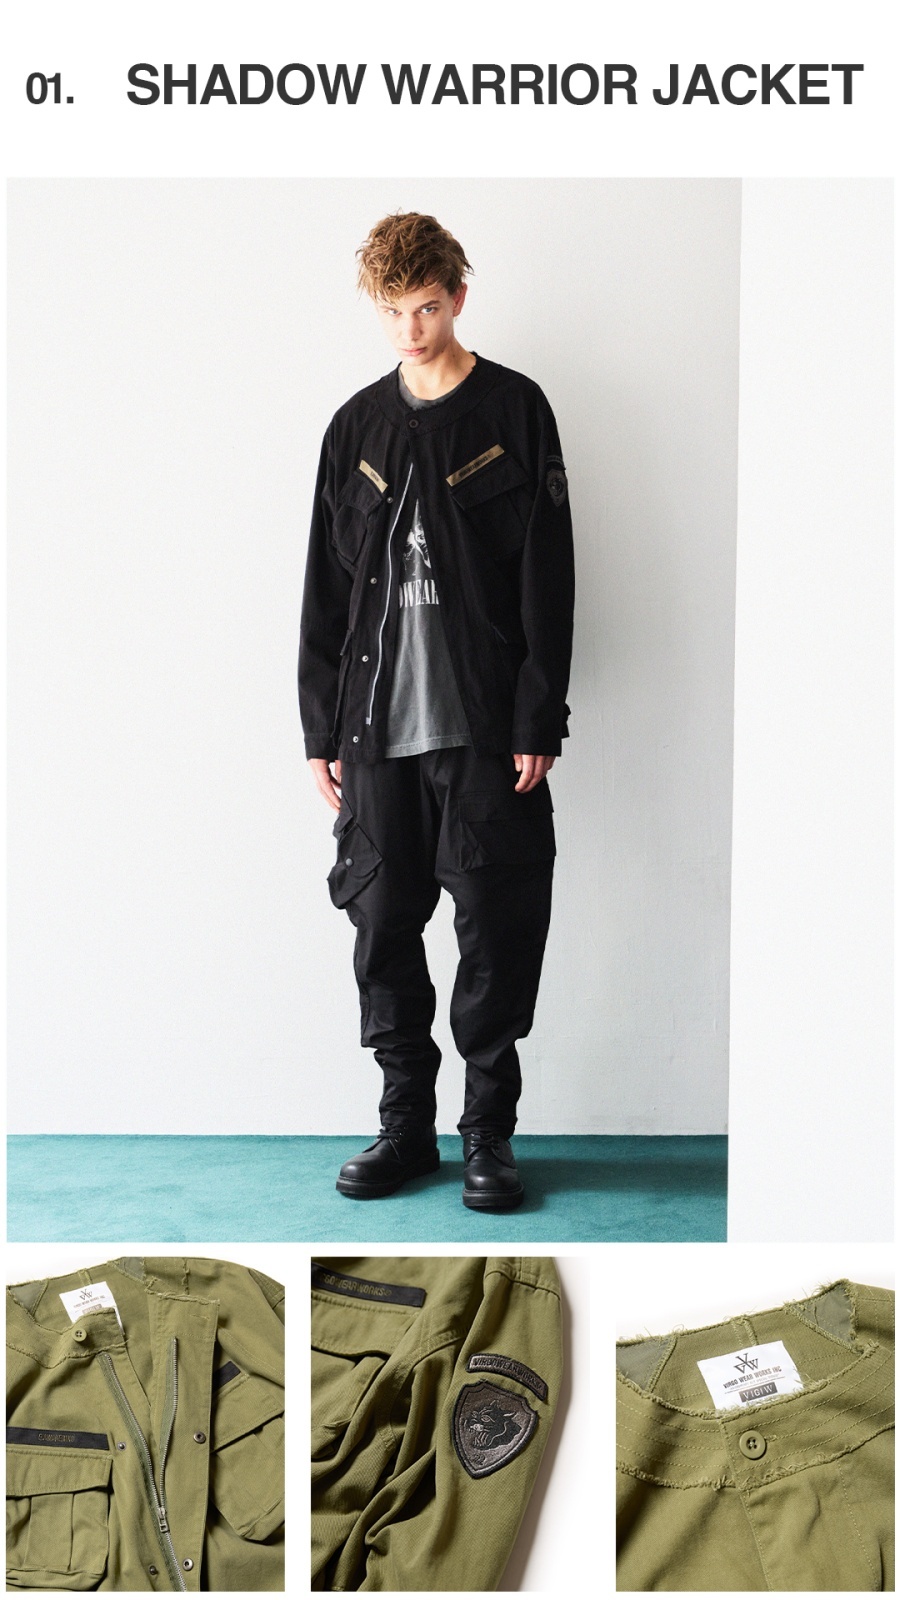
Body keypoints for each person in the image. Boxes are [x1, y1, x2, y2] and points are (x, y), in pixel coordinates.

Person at [298, 212, 574, 1210]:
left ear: (458, 295)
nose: (409, 331)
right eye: (391, 312)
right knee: (381, 928)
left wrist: (538, 715)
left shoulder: (515, 410)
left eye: (424, 308)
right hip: (375, 734)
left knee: (497, 932)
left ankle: (488, 1136)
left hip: (484, 731)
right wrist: (319, 728)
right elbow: (325, 590)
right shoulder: (354, 428)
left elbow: (549, 574)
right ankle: (405, 1126)